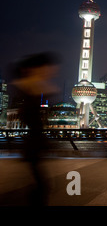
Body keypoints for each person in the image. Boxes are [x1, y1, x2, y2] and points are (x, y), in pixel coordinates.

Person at [11, 52, 60, 206]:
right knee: (42, 186)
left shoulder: (32, 89)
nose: (50, 71)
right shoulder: (29, 89)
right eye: (47, 67)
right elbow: (30, 119)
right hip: (33, 145)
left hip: (34, 145)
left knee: (41, 185)